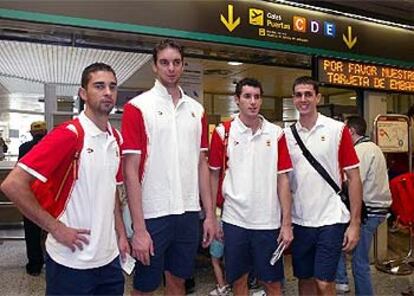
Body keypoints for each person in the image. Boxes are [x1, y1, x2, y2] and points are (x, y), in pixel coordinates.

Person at [1, 62, 129, 295]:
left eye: (112, 86)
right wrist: (55, 228)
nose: (108, 92)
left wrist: (121, 234)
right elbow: (12, 184)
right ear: (83, 93)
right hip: (71, 262)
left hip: (109, 261)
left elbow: (111, 192)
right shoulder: (69, 135)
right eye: (99, 86)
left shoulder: (116, 139)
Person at [121, 39, 215, 296]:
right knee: (144, 286)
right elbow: (130, 170)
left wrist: (209, 215)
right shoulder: (137, 108)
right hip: (152, 214)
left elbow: (201, 165)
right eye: (164, 62)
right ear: (154, 66)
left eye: (176, 62)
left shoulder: (197, 110)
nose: (171, 68)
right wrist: (138, 229)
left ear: (183, 66)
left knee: (178, 281)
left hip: (187, 213)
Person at [209, 78, 294, 296]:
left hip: (268, 222)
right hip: (235, 220)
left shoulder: (276, 134)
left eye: (257, 97)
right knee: (238, 281)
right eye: (247, 96)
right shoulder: (223, 133)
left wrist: (286, 223)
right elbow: (213, 176)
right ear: (237, 100)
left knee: (272, 282)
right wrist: (214, 216)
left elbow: (283, 180)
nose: (253, 102)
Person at [284, 76, 363, 296]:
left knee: (324, 281)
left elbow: (354, 177)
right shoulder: (286, 135)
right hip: (301, 220)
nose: (303, 99)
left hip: (330, 219)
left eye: (308, 94)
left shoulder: (337, 130)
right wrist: (285, 221)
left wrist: (355, 223)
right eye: (298, 94)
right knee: (305, 279)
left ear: (317, 97)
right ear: (293, 99)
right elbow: (283, 181)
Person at [335, 116, 392, 295]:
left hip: (369, 212)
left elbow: (353, 181)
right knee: (341, 244)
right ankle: (341, 280)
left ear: (351, 131)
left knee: (359, 262)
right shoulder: (374, 147)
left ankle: (354, 287)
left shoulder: (361, 151)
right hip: (378, 209)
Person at [18, 120, 47, 276]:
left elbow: (20, 172)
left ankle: (35, 265)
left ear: (31, 133)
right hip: (50, 195)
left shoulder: (24, 148)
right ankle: (53, 263)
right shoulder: (52, 145)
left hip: (30, 195)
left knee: (31, 231)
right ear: (45, 132)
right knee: (51, 230)